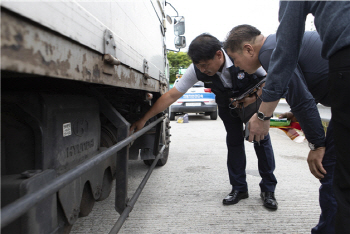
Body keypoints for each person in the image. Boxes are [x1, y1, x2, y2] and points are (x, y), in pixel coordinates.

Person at [232, 2, 350, 232]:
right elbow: (310, 84)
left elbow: (302, 97)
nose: (238, 67)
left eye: (235, 60)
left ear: (248, 49)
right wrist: (294, 114)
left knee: (332, 172)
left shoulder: (268, 51)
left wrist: (316, 144)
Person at [130, 33, 278, 210]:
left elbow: (271, 79)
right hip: (227, 106)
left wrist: (253, 100)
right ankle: (239, 188)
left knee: (260, 139)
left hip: (252, 102)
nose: (203, 70)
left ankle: (268, 190)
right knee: (234, 142)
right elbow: (172, 95)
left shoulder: (239, 55)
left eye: (206, 65)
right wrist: (144, 119)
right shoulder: (197, 68)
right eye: (199, 66)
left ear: (219, 54)